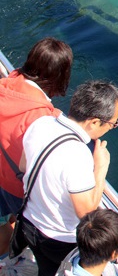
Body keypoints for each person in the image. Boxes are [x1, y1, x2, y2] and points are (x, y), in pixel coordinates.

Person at [21, 80, 118, 276]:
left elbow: (22, 166)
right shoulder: (78, 155)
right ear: (95, 121)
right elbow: (87, 213)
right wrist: (100, 169)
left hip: (29, 223)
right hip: (57, 238)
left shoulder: (41, 123)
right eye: (112, 123)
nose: (112, 127)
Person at [0, 38, 73, 253]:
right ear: (60, 75)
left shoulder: (5, 85)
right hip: (15, 188)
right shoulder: (43, 119)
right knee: (17, 223)